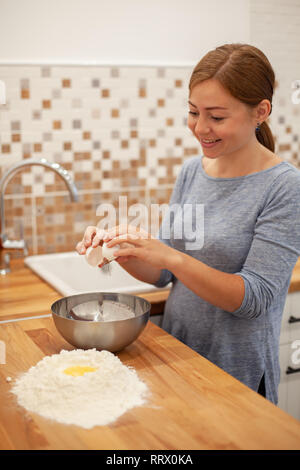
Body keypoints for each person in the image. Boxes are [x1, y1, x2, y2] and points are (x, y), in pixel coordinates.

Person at [76, 43, 300, 404]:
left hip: (236, 374)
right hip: (179, 355)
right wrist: (119, 249)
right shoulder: (194, 170)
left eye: (217, 116)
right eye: (194, 112)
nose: (200, 128)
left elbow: (254, 298)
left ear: (261, 111)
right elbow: (162, 274)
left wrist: (170, 257)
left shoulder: (284, 186)